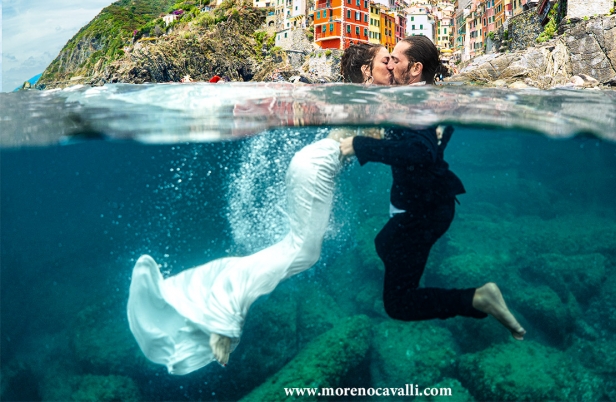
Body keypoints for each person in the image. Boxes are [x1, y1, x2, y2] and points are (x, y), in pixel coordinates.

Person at [127, 43, 390, 374]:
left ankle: (214, 303)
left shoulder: (366, 96)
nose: (393, 64)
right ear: (367, 70)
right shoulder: (366, 97)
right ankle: (223, 312)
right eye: (386, 60)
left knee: (297, 249)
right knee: (302, 252)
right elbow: (376, 139)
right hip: (318, 166)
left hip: (313, 165)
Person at [340, 35, 526, 339]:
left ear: (415, 68)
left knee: (398, 304)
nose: (390, 65)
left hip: (424, 210)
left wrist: (359, 145)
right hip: (428, 204)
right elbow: (428, 145)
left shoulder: (418, 105)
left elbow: (420, 153)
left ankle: (478, 298)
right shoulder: (422, 97)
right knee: (384, 243)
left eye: (396, 60)